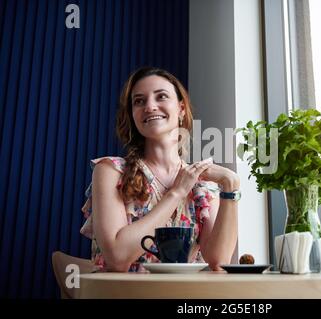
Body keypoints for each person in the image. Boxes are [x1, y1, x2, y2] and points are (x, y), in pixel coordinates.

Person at [80, 67, 240, 272]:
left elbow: (218, 261)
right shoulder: (111, 171)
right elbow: (118, 257)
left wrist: (230, 186)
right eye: (139, 101)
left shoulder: (202, 182)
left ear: (181, 109)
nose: (150, 106)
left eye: (161, 96)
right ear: (133, 115)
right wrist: (176, 193)